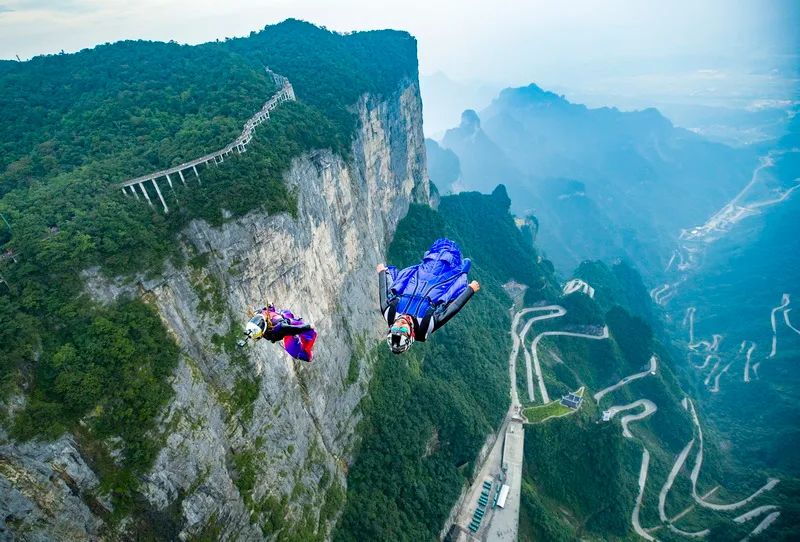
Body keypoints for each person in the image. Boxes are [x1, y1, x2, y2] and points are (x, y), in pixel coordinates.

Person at [377, 238, 480, 354]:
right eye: (403, 330)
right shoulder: (426, 325)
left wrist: (382, 273)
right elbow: (453, 308)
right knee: (455, 260)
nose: (400, 324)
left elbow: (385, 291)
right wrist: (470, 290)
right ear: (411, 335)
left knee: (435, 253)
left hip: (419, 277)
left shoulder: (389, 313)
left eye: (395, 328)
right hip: (441, 281)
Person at [240, 304, 317, 362]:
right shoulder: (259, 315)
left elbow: (296, 329)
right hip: (280, 319)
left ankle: (308, 354)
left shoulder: (279, 327)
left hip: (289, 324)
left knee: (300, 353)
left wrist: (308, 327)